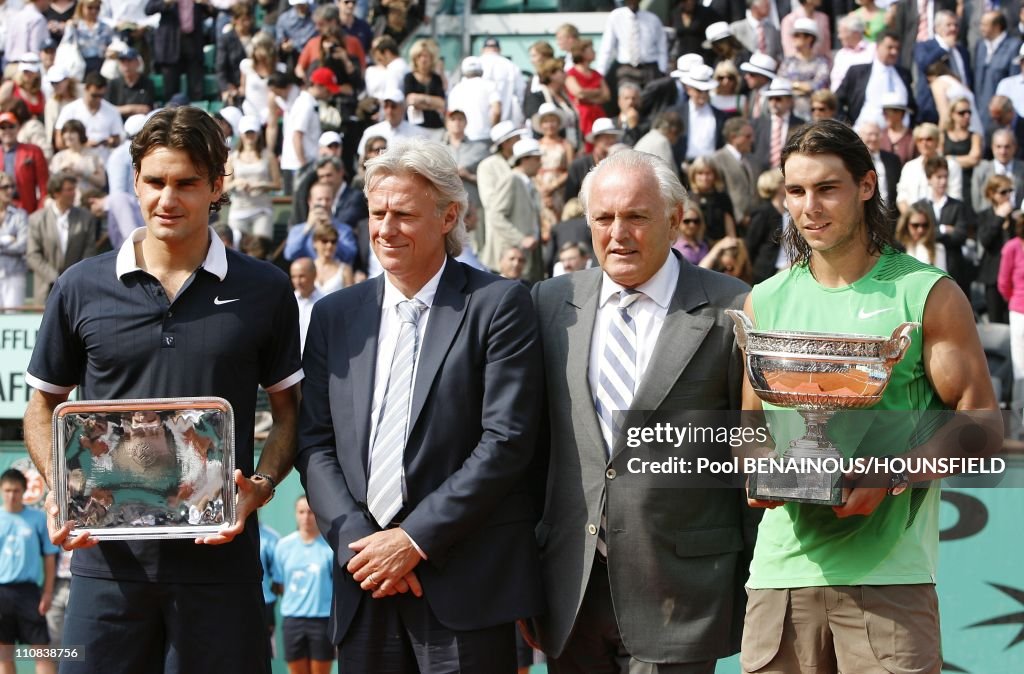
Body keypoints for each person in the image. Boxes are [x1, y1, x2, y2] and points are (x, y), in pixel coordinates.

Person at [21, 106, 303, 674]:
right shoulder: (79, 286)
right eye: (154, 182)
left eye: (186, 183)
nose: (167, 199)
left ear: (217, 186)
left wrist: (261, 488)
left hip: (222, 568)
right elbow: (44, 403)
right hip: (106, 568)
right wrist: (60, 487)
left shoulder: (266, 288)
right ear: (135, 182)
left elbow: (290, 411)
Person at [739, 119, 998, 674]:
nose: (810, 206)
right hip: (781, 576)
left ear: (866, 185)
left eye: (827, 188)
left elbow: (983, 425)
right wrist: (762, 475)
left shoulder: (924, 292)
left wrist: (889, 473)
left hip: (890, 578)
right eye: (796, 191)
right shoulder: (765, 300)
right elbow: (749, 432)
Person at [295, 138, 545, 672]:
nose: (385, 229)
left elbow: (506, 441)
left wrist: (412, 540)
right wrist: (361, 546)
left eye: (404, 214)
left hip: (465, 585)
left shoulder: (498, 304)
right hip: (364, 586)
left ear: (448, 216)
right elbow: (315, 444)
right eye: (377, 212)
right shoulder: (334, 315)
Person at [530, 148, 754, 673]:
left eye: (635, 216)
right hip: (571, 590)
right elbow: (532, 450)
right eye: (604, 218)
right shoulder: (548, 301)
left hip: (684, 594)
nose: (618, 233)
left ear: (675, 220)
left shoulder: (734, 307)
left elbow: (751, 449)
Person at [0, 468, 58, 674]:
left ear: (24, 491)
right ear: (1, 490)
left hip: (29, 592)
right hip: (1, 591)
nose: (11, 495)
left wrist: (48, 592)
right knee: (4, 653)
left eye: (16, 490)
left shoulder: (37, 518)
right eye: (7, 490)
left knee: (41, 650)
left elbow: (49, 556)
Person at [271, 495, 335, 674]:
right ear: (295, 514)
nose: (306, 517)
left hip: (322, 622)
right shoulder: (283, 546)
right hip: (292, 621)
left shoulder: (329, 548)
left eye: (310, 512)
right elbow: (280, 584)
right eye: (301, 512)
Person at [25, 173, 98, 305]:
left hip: (78, 289)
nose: (74, 193)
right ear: (56, 193)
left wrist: (72, 277)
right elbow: (32, 255)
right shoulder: (36, 219)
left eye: (74, 189)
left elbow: (89, 252)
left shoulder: (86, 218)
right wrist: (55, 278)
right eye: (69, 190)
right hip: (45, 290)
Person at [486, 137, 545, 284]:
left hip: (525, 258)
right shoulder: (511, 179)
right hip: (511, 260)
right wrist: (520, 239)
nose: (540, 163)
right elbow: (496, 215)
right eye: (537, 159)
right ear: (525, 159)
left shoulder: (528, 183)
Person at [225, 115, 282, 241]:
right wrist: (236, 183)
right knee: (235, 249)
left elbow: (278, 184)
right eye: (247, 133)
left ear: (258, 134)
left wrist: (261, 185)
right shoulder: (233, 158)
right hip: (239, 209)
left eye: (252, 132)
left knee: (261, 248)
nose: (250, 136)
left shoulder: (269, 156)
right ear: (240, 134)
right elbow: (225, 187)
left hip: (262, 209)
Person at [978, 175, 1016, 323]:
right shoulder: (985, 215)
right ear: (991, 194)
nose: (1007, 196)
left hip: (1014, 275)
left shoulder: (1016, 216)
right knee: (995, 319)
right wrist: (999, 217)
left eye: (1010, 191)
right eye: (1003, 192)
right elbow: (985, 241)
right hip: (993, 275)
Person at [778, 18, 829, 120]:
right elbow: (781, 83)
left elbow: (817, 86)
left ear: (809, 38)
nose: (794, 38)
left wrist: (794, 85)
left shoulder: (821, 62)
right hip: (789, 113)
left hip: (812, 112)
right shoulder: (788, 61)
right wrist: (803, 87)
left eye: (797, 35)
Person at [0, 110, 47, 214]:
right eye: (3, 127)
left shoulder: (33, 151)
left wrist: (40, 211)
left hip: (27, 208)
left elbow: (44, 186)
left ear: (18, 128)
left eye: (11, 126)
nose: (7, 131)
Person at [745, 168, 787, 283]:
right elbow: (751, 244)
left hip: (790, 268)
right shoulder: (763, 212)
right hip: (767, 272)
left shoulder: (790, 211)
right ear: (775, 185)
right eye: (783, 181)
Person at [403, 38, 446, 142]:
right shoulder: (409, 77)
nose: (423, 59)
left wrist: (421, 99)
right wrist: (431, 102)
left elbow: (441, 103)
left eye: (426, 56)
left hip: (435, 126)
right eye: (420, 56)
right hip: (414, 125)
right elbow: (411, 100)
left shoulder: (436, 78)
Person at [999, 211, 1024, 379]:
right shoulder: (1012, 247)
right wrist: (1016, 301)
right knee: (1020, 368)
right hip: (1019, 312)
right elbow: (1003, 283)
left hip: (1017, 306)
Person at [0, 170, 28, 309]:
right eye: (5, 187)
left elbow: (22, 246)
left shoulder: (20, 215)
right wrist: (6, 240)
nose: (10, 190)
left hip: (14, 274)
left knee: (13, 317)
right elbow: (16, 246)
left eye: (12, 186)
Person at [895, 202, 946, 270]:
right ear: (906, 225)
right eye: (915, 225)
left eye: (925, 225)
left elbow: (943, 277)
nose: (920, 230)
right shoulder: (896, 249)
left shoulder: (938, 248)